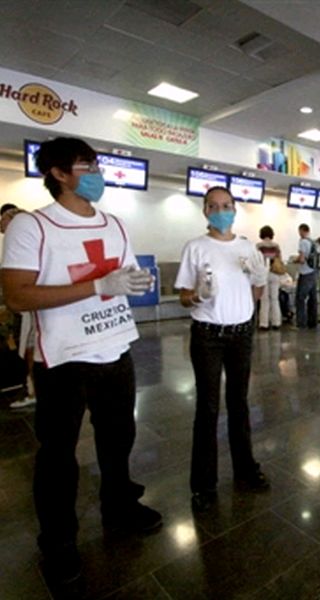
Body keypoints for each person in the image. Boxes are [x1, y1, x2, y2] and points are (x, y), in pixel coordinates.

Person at [0, 137, 161, 587]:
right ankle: (58, 540)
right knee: (58, 454)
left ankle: (119, 506)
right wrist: (97, 286)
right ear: (58, 173)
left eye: (97, 164)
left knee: (119, 437)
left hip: (116, 346)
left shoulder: (115, 223)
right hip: (65, 357)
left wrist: (131, 281)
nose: (96, 172)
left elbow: (120, 277)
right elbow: (17, 294)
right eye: (85, 165)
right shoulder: (33, 227)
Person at [175, 186, 269, 512]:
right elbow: (183, 295)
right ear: (205, 212)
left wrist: (259, 275)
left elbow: (254, 293)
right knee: (208, 407)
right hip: (208, 335)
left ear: (235, 208)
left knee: (239, 403)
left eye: (226, 205)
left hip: (242, 333)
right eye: (213, 206)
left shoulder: (246, 247)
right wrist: (198, 295)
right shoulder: (195, 247)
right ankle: (203, 483)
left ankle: (246, 469)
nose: (220, 211)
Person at [0, 205, 37, 408]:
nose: (1, 226)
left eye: (4, 221)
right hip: (30, 306)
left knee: (32, 349)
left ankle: (34, 391)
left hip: (34, 307)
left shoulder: (22, 236)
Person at [256, 225, 282, 330]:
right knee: (275, 299)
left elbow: (256, 261)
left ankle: (264, 323)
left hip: (263, 274)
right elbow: (280, 259)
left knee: (264, 299)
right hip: (274, 273)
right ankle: (276, 322)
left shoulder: (258, 246)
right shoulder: (276, 246)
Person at [293, 223, 318, 329]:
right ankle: (312, 322)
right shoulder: (313, 242)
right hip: (314, 272)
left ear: (302, 230)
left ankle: (301, 323)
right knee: (313, 299)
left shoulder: (303, 242)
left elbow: (302, 259)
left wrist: (295, 260)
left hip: (305, 273)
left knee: (300, 298)